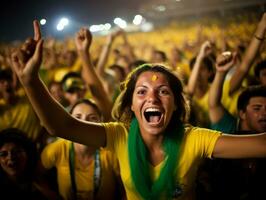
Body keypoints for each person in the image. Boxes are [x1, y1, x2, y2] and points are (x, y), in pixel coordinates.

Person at [11, 20, 266, 200]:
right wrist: (30, 80)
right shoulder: (118, 136)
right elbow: (61, 126)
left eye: (163, 91)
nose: (152, 97)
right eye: (141, 92)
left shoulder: (194, 139)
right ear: (131, 105)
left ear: (176, 104)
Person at [40, 99, 124, 199]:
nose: (83, 122)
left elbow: (126, 190)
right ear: (69, 122)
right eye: (77, 117)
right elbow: (36, 175)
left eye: (92, 118)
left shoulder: (111, 152)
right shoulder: (57, 149)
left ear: (101, 123)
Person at [0, 128, 59, 199]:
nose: (11, 157)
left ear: (28, 154)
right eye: (3, 154)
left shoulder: (44, 180)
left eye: (17, 151)